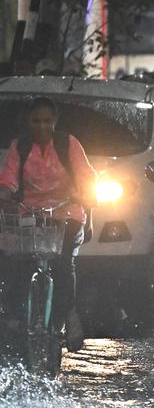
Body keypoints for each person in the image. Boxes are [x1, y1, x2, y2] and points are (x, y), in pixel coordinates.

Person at [0, 96, 95, 351]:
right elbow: (8, 180)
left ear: (55, 122)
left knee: (63, 264)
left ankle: (67, 314)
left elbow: (86, 177)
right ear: (28, 122)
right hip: (29, 213)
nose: (42, 126)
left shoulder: (68, 144)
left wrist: (87, 193)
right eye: (37, 121)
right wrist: (4, 195)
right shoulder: (19, 147)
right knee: (18, 264)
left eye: (47, 121)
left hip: (67, 213)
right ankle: (15, 318)